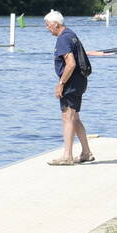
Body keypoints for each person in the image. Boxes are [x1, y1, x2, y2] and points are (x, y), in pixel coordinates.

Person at [44, 10, 93, 166]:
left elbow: (70, 64)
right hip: (80, 80)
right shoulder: (71, 34)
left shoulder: (63, 39)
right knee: (74, 117)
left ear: (56, 24)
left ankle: (67, 156)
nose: (47, 28)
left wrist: (61, 84)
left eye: (48, 25)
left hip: (71, 82)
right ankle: (86, 153)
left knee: (67, 117)